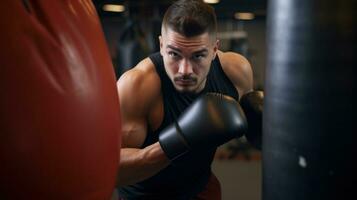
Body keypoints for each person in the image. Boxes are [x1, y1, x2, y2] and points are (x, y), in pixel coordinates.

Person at [116, 0, 258, 199]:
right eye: (174, 54)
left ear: (215, 49)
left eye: (198, 56)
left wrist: (262, 129)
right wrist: (180, 140)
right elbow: (111, 172)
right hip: (145, 195)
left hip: (200, 186)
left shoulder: (235, 72)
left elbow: (250, 128)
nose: (184, 70)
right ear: (161, 45)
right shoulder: (137, 85)